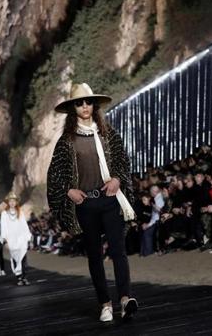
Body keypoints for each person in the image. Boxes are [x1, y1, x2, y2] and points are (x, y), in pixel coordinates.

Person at [47, 83, 138, 322]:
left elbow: (122, 161)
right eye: (79, 103)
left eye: (88, 102)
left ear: (94, 105)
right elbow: (55, 176)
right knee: (95, 256)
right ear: (73, 108)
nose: (85, 106)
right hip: (86, 205)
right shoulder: (66, 141)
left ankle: (125, 299)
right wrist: (69, 191)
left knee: (119, 251)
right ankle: (105, 304)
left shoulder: (109, 133)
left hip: (109, 200)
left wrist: (117, 178)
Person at [0, 192, 32, 286]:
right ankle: (19, 277)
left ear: (16, 202)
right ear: (8, 202)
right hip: (11, 239)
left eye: (13, 201)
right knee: (15, 258)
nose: (12, 203)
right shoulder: (4, 214)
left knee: (23, 258)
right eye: (10, 201)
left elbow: (24, 225)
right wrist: (4, 238)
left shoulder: (20, 212)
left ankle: (24, 277)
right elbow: (3, 227)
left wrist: (27, 236)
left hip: (21, 237)